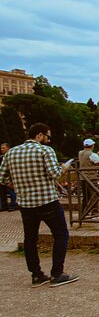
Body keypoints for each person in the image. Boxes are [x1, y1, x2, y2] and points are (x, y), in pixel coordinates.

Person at [0, 123, 79, 287]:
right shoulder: (45, 151)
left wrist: (15, 185)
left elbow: (2, 178)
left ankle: (36, 275)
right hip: (46, 200)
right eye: (47, 136)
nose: (48, 140)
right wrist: (64, 167)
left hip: (25, 203)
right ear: (40, 135)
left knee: (30, 238)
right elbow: (55, 173)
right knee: (61, 234)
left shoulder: (11, 152)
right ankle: (57, 273)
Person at [78, 138, 99, 215]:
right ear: (92, 146)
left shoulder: (80, 153)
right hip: (91, 177)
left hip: (82, 177)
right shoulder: (92, 154)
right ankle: (94, 211)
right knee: (94, 195)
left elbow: (87, 160)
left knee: (86, 196)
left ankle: (83, 212)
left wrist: (97, 155)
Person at [0, 143, 17, 211]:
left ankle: (14, 205)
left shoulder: (12, 156)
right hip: (2, 178)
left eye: (3, 148)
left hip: (10, 177)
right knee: (2, 192)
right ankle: (4, 205)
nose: (2, 149)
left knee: (11, 192)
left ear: (8, 148)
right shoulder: (1, 157)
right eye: (1, 148)